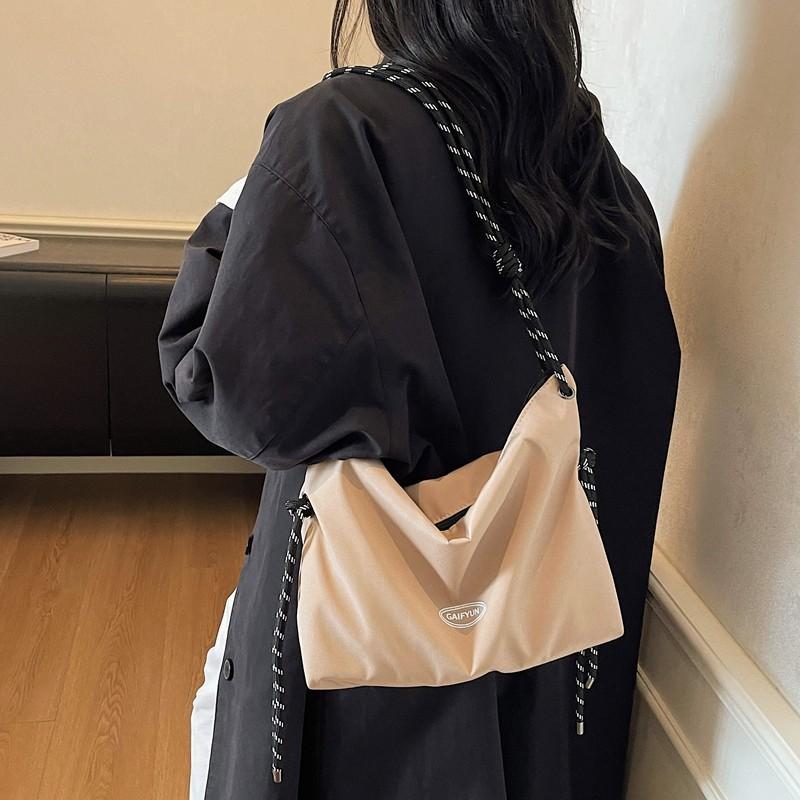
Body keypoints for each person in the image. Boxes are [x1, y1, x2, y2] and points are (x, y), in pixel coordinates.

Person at [158, 1, 680, 798]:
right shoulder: (598, 173)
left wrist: (238, 214)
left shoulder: (341, 133)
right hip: (538, 653)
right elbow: (634, 391)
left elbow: (232, 387)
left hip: (364, 659)